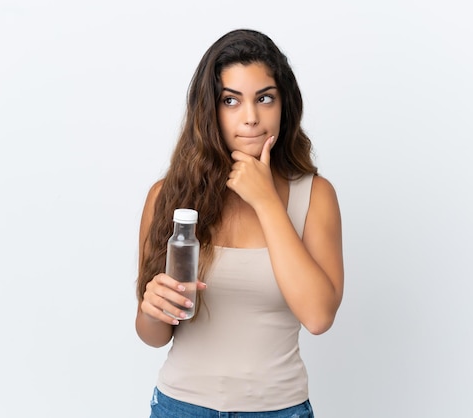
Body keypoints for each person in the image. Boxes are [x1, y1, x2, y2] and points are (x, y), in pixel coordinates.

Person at [135, 28, 344, 418]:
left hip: (279, 410)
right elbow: (154, 335)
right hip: (180, 407)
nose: (250, 118)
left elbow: (318, 317)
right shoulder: (167, 197)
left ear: (285, 105)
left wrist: (267, 203)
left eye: (265, 98)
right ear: (209, 110)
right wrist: (150, 309)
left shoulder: (314, 196)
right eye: (231, 100)